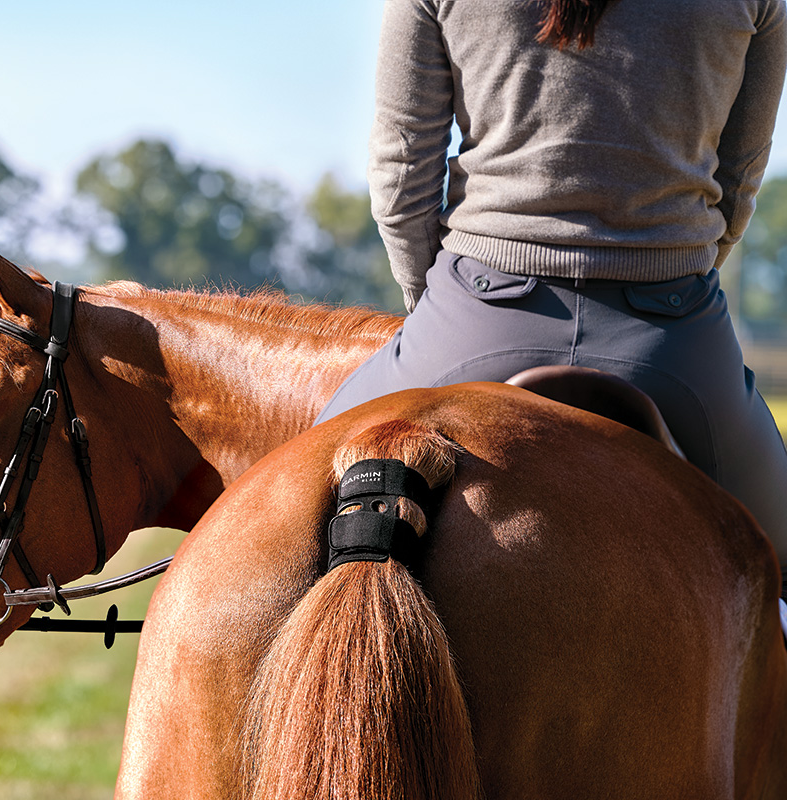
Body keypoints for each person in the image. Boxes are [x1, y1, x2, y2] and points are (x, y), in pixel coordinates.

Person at [316, 0, 787, 613]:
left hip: (475, 319)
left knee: (293, 510)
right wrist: (674, 270)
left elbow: (403, 173)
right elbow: (740, 174)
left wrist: (435, 302)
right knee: (781, 557)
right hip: (671, 336)